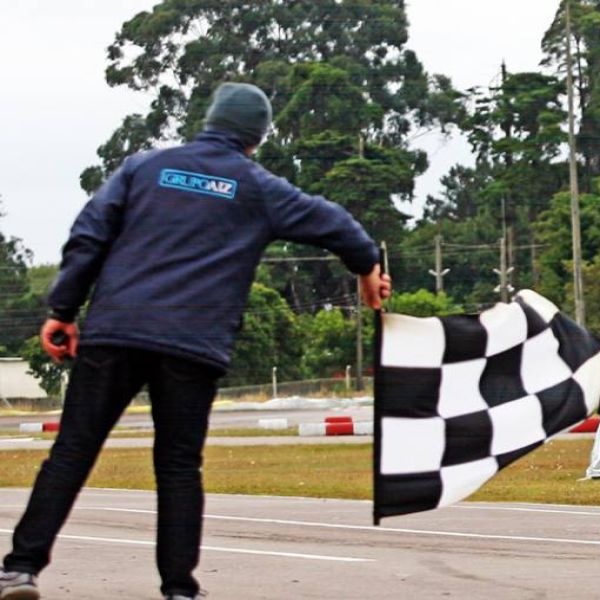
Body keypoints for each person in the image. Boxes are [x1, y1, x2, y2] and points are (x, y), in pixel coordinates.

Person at [0, 82, 391, 600]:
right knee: (179, 465)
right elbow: (337, 225)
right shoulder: (257, 187)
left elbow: (90, 233)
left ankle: (19, 569)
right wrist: (367, 270)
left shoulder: (143, 168)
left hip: (117, 331)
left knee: (72, 450)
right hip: (192, 343)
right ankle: (179, 590)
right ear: (257, 138)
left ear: (208, 121)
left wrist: (63, 310)